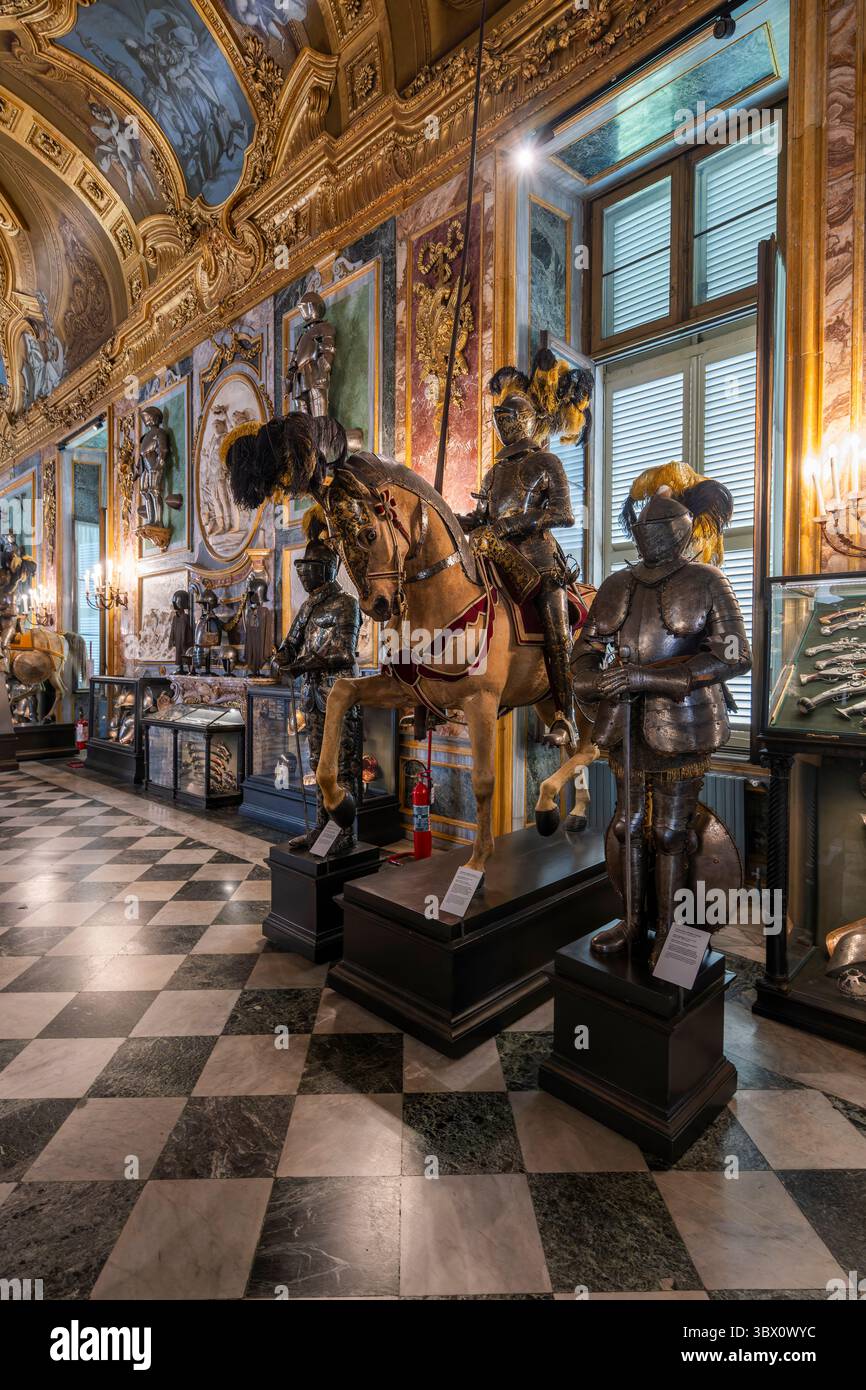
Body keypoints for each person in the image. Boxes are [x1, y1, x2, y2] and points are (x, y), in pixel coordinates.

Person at [570, 465, 751, 964]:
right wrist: (594, 681)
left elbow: (736, 655)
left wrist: (647, 679)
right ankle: (632, 922)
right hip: (624, 721)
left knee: (672, 832)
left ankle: (671, 931)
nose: (649, 535)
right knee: (628, 824)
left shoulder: (708, 580)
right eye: (642, 527)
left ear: (681, 530)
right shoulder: (616, 583)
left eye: (660, 527)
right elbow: (582, 654)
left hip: (684, 718)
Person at [456, 347, 593, 746]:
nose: (504, 425)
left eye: (510, 418)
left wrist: (516, 522)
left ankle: (565, 715)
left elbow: (564, 514)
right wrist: (453, 521)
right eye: (499, 419)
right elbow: (482, 518)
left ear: (528, 421)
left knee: (554, 629)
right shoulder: (495, 471)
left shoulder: (546, 462)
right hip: (493, 558)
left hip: (538, 560)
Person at [272, 515, 361, 854]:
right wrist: (282, 659)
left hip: (339, 694)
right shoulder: (310, 604)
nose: (304, 574)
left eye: (308, 568)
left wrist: (301, 664)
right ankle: (323, 831)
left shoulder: (346, 604)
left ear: (325, 569)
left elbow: (342, 652)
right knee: (316, 764)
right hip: (314, 696)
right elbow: (290, 644)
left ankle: (345, 833)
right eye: (302, 568)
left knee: (343, 765)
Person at [286, 292, 336, 418]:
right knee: (302, 415)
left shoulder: (324, 327)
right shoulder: (302, 336)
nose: (303, 311)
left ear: (312, 306)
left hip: (314, 372)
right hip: (300, 376)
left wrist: (324, 370)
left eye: (304, 307)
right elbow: (295, 360)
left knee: (318, 412)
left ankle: (321, 434)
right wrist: (289, 381)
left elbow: (328, 349)